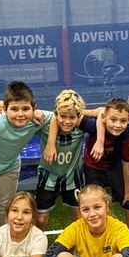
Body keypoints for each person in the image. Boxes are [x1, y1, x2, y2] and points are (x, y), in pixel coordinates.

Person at [0, 81, 49, 254]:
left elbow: (58, 117)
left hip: (9, 169)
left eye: (25, 109)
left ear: (34, 108)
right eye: (14, 109)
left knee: (5, 212)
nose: (20, 114)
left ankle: (4, 253)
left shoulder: (36, 119)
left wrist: (50, 144)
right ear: (5, 109)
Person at [79, 97, 129, 242]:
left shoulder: (127, 134)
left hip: (115, 167)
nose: (118, 125)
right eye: (113, 120)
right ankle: (92, 244)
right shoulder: (92, 125)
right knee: (91, 205)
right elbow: (72, 114)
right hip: (93, 167)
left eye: (123, 121)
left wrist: (128, 191)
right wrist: (98, 112)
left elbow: (126, 162)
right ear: (104, 117)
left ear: (128, 119)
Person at [36, 89, 86, 230]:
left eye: (72, 117)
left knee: (79, 217)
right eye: (63, 116)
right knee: (41, 219)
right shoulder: (44, 126)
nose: (67, 121)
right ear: (56, 114)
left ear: (79, 116)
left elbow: (102, 112)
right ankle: (37, 243)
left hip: (72, 179)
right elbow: (29, 114)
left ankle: (79, 244)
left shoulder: (81, 128)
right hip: (48, 178)